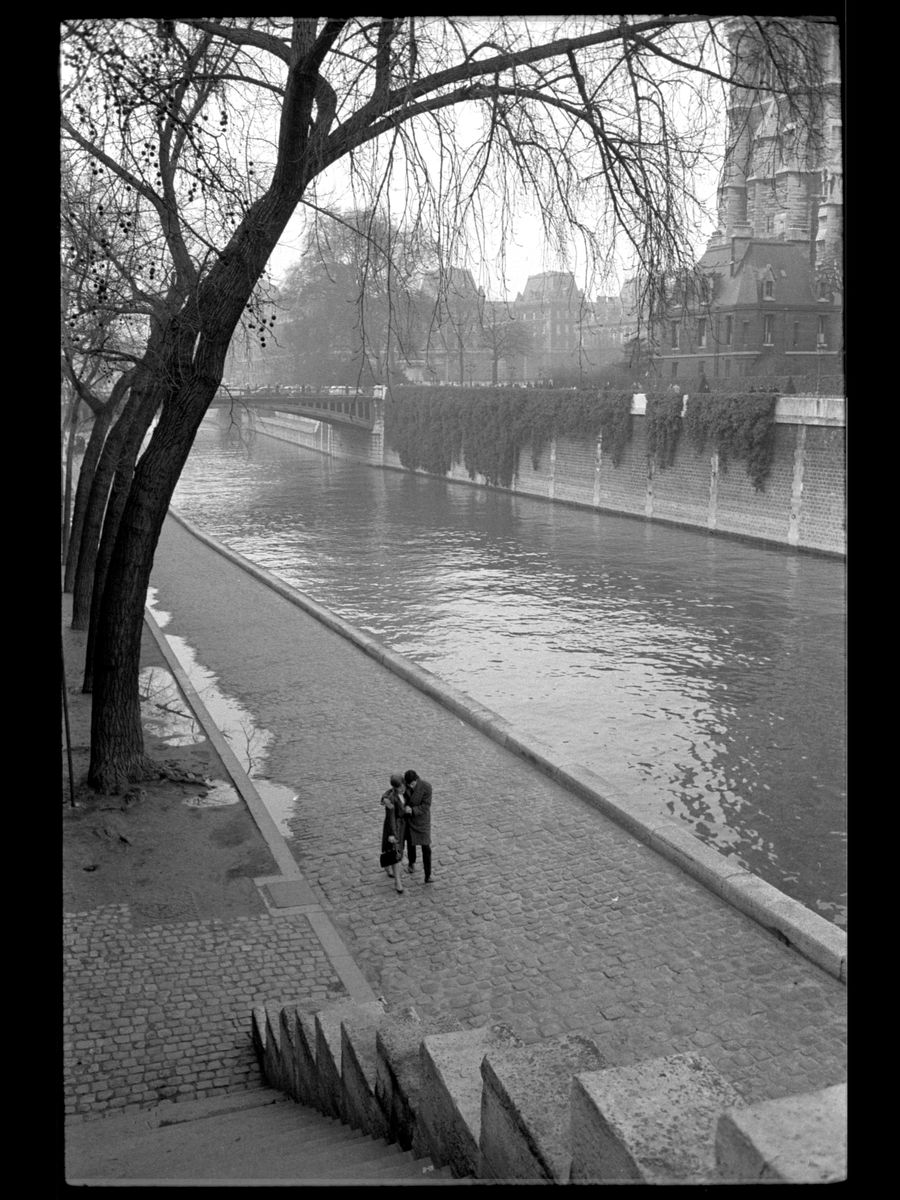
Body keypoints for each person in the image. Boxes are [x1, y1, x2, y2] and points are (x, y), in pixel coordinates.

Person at [402, 769, 433, 882]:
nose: (410, 786)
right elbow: (394, 790)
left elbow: (426, 806)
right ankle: (411, 863)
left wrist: (413, 810)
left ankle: (428, 874)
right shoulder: (405, 785)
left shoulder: (426, 787)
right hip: (410, 821)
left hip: (422, 821)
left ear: (416, 779)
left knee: (426, 847)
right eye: (408, 784)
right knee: (411, 843)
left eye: (412, 784)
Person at [380, 774, 407, 894]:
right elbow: (391, 818)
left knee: (396, 850)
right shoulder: (391, 798)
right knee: (396, 852)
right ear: (395, 788)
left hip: (402, 826)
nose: (402, 789)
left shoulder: (404, 792)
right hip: (394, 827)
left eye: (403, 786)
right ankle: (398, 882)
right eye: (400, 787)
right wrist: (392, 834)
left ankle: (387, 866)